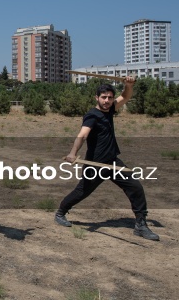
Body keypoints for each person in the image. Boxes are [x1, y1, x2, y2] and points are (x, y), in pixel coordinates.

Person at [54, 78, 159, 241]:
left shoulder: (110, 110)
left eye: (110, 97)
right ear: (97, 98)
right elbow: (82, 135)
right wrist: (73, 153)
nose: (107, 100)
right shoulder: (92, 115)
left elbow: (125, 97)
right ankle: (61, 212)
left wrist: (128, 85)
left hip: (112, 162)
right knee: (82, 191)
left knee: (135, 187)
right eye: (104, 97)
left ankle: (141, 225)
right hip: (94, 165)